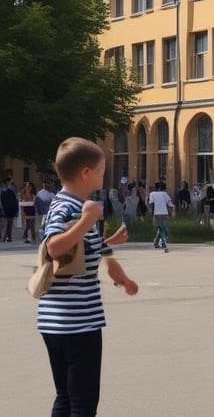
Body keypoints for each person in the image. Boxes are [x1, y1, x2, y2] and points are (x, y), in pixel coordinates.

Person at [39, 137, 138, 416]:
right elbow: (55, 247)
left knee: (68, 399)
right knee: (82, 403)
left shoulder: (80, 205)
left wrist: (123, 275)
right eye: (101, 172)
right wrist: (87, 220)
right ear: (85, 173)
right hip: (75, 321)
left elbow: (94, 253)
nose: (102, 177)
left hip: (61, 321)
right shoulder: (70, 207)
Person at [149, 181, 174, 251]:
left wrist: (152, 214)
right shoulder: (164, 194)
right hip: (163, 213)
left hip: (157, 213)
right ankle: (162, 243)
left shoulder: (152, 194)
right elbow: (170, 204)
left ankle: (157, 242)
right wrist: (171, 212)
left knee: (161, 229)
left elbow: (151, 204)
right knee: (164, 230)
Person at [1, 176, 19, 242]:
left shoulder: (4, 189)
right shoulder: (7, 189)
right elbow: (16, 199)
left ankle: (7, 237)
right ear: (8, 182)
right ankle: (6, 237)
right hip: (8, 208)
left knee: (8, 223)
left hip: (8, 208)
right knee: (7, 223)